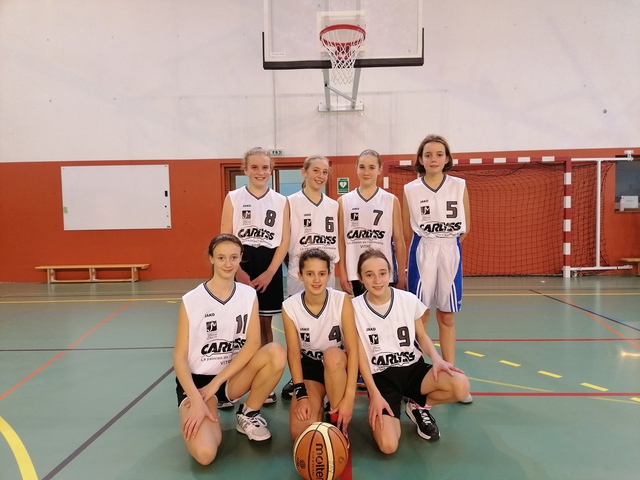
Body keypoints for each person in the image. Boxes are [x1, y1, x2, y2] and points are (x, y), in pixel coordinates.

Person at [173, 234, 286, 465]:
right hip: (198, 385)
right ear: (211, 259)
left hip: (229, 379)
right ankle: (206, 410)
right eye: (221, 257)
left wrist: (217, 385)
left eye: (233, 257)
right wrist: (196, 398)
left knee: (275, 352)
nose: (228, 263)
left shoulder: (248, 295)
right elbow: (179, 358)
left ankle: (248, 414)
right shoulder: (191, 300)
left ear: (241, 258)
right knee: (205, 455)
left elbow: (253, 344)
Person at [352, 249, 470, 454]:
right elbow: (360, 354)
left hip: (413, 370)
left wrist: (436, 358)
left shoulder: (407, 299)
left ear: (390, 273)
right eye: (369, 274)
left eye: (382, 273)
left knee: (460, 386)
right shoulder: (354, 308)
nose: (377, 280)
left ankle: (418, 406)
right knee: (388, 446)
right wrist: (374, 393)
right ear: (360, 278)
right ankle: (391, 413)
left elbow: (421, 336)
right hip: (382, 378)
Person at [402, 134, 472, 403]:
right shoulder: (410, 189)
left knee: (448, 316)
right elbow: (409, 228)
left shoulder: (459, 185)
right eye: (428, 154)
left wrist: (446, 244)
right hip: (423, 251)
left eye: (439, 154)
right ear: (420, 159)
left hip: (449, 250)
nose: (433, 159)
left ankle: (451, 374)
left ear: (447, 158)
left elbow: (466, 228)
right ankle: (416, 374)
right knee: (421, 316)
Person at [221, 147, 290, 405]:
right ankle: (231, 382)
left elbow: (284, 241)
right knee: (236, 326)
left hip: (268, 264)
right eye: (255, 167)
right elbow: (225, 237)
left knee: (264, 326)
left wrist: (271, 273)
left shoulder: (282, 201)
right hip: (240, 262)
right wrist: (237, 270)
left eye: (265, 167)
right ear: (245, 169)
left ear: (271, 170)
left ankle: (266, 381)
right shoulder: (234, 197)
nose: (260, 172)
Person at [281, 249, 359, 439]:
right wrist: (301, 395)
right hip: (311, 369)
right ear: (300, 275)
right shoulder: (290, 307)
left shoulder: (341, 300)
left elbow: (354, 349)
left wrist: (349, 398)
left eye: (321, 274)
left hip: (338, 366)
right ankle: (319, 399)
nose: (316, 280)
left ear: (329, 275)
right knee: (300, 433)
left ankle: (335, 413)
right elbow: (293, 354)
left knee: (332, 355)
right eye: (310, 274)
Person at [281, 155, 340, 399]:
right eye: (316, 170)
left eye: (325, 172)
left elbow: (339, 243)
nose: (320, 176)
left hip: (327, 273)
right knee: (299, 328)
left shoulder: (334, 205)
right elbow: (284, 241)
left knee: (328, 326)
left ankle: (331, 375)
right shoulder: (290, 202)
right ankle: (299, 377)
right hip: (298, 272)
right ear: (304, 173)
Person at [338, 149, 406, 297]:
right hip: (356, 272)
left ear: (380, 169)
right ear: (356, 168)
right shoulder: (344, 202)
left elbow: (399, 240)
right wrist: (343, 272)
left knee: (385, 314)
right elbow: (341, 242)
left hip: (384, 271)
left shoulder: (390, 200)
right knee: (361, 316)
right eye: (362, 167)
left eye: (371, 167)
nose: (366, 172)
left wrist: (401, 273)